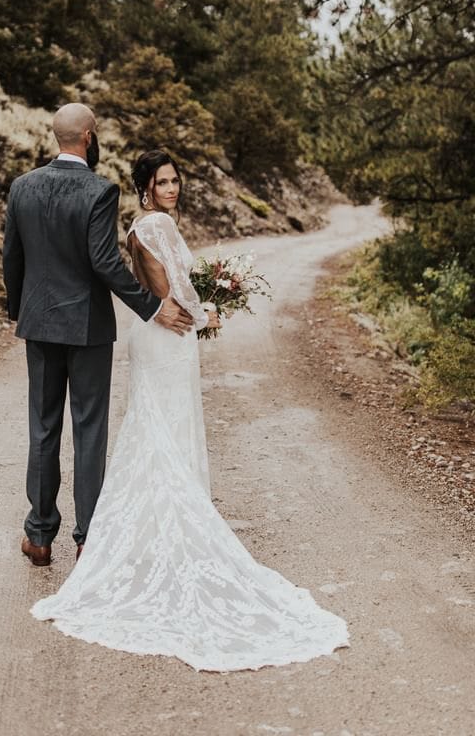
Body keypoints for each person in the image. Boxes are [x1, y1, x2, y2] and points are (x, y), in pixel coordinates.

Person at [29, 149, 349, 671]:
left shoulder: (139, 226)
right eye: (163, 181)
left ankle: (139, 525)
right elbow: (169, 291)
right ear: (145, 188)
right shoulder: (156, 227)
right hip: (166, 337)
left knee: (152, 426)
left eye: (176, 180)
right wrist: (209, 311)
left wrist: (200, 306)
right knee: (164, 426)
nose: (172, 188)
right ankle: (171, 524)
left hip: (155, 336)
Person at [2, 106, 193, 569]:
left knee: (43, 427)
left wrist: (20, 312)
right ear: (87, 137)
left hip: (40, 326)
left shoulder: (22, 187)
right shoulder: (99, 189)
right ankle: (88, 538)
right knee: (89, 430)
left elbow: (12, 257)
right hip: (86, 328)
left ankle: (40, 535)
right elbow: (105, 263)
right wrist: (152, 307)